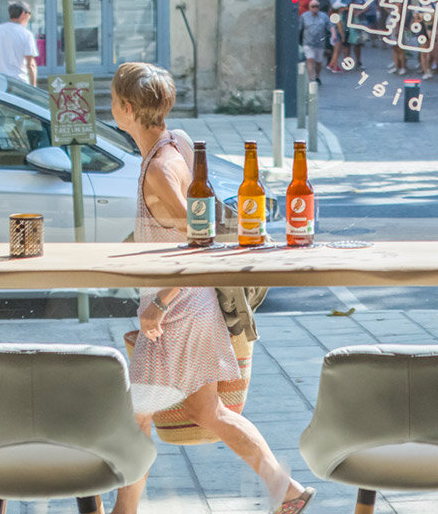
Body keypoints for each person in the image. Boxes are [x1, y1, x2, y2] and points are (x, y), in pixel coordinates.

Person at [108, 63, 315, 514]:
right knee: (208, 413)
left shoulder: (160, 170)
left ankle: (123, 512)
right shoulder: (176, 143)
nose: (110, 107)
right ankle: (287, 489)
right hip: (192, 308)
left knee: (137, 418)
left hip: (176, 312)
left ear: (125, 109)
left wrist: (158, 304)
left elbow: (197, 245)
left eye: (111, 100)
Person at [0, 1, 38, 85]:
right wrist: (33, 87)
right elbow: (31, 64)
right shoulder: (26, 35)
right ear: (23, 14)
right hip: (19, 83)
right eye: (29, 13)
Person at [299, 0, 332, 82]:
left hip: (320, 43)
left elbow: (330, 27)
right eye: (313, 6)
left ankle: (317, 76)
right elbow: (300, 28)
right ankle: (311, 78)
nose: (315, 8)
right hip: (308, 42)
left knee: (318, 62)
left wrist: (334, 35)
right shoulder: (304, 16)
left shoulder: (324, 16)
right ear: (309, 7)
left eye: (317, 6)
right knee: (310, 59)